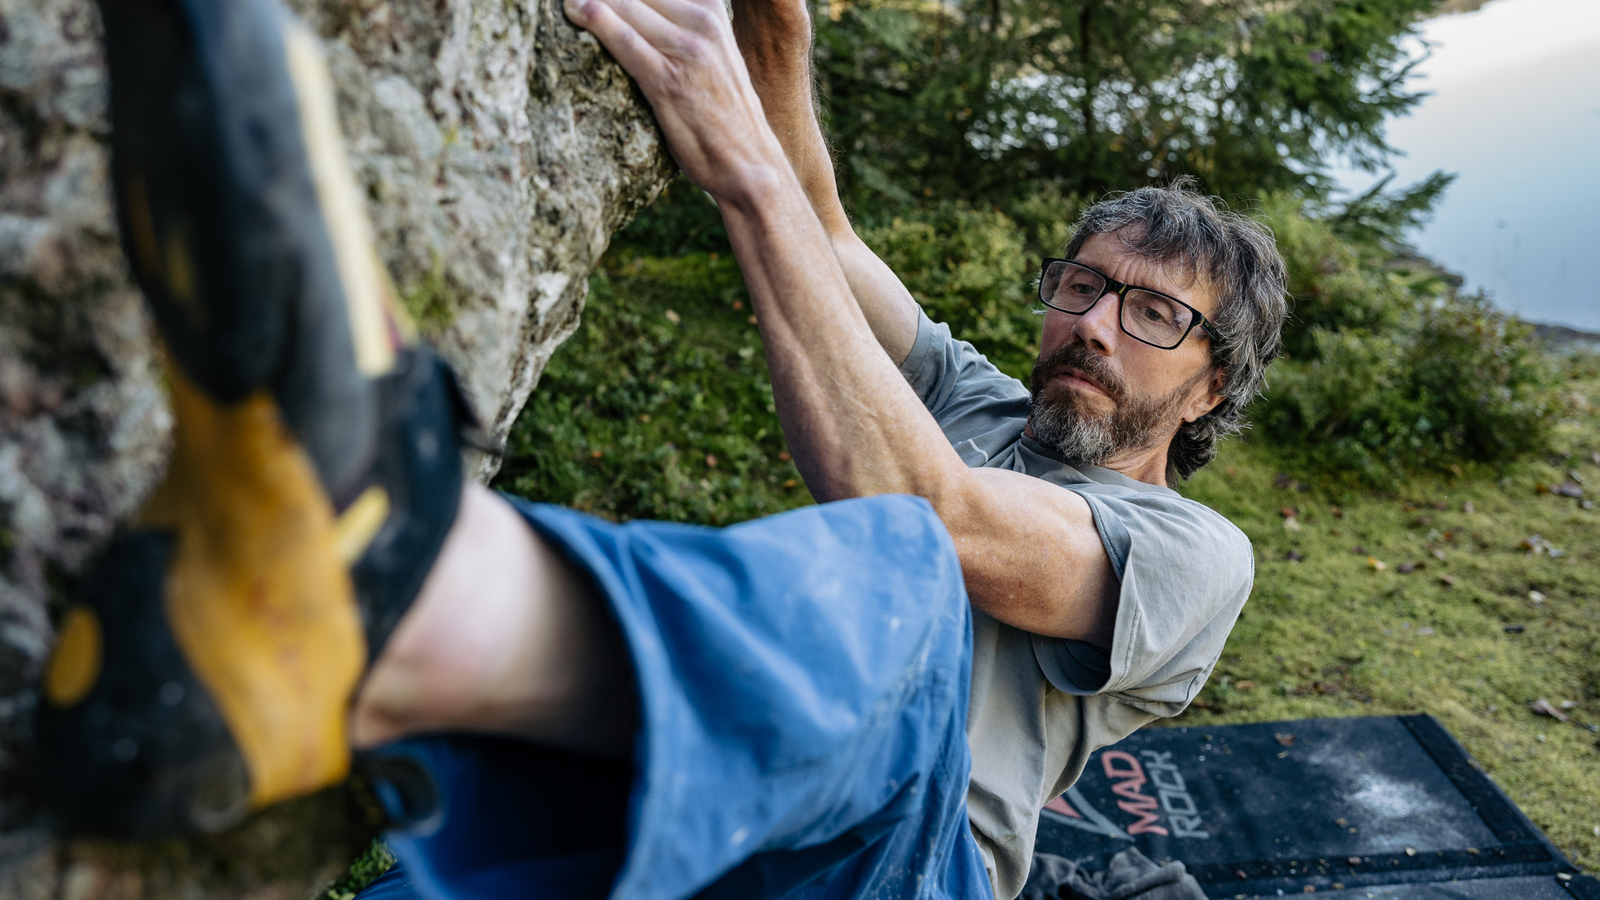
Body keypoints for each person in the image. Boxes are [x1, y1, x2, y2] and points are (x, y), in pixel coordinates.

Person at [31, 0, 1286, 899]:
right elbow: (831, 236)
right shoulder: (984, 400)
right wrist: (771, 33)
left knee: (902, 582)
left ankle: (380, 575)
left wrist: (738, 168)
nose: (1094, 324)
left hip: (905, 870)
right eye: (1083, 284)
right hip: (716, 790)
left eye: (1154, 312)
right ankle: (250, 673)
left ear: (1208, 383)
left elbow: (947, 524)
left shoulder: (1194, 557)